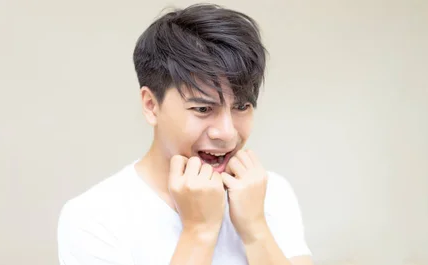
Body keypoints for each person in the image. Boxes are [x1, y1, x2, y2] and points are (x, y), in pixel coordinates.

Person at [57, 3, 313, 265]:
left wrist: (256, 229)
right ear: (151, 105)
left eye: (241, 106)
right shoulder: (93, 218)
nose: (227, 133)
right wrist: (199, 232)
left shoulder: (268, 192)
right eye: (203, 108)